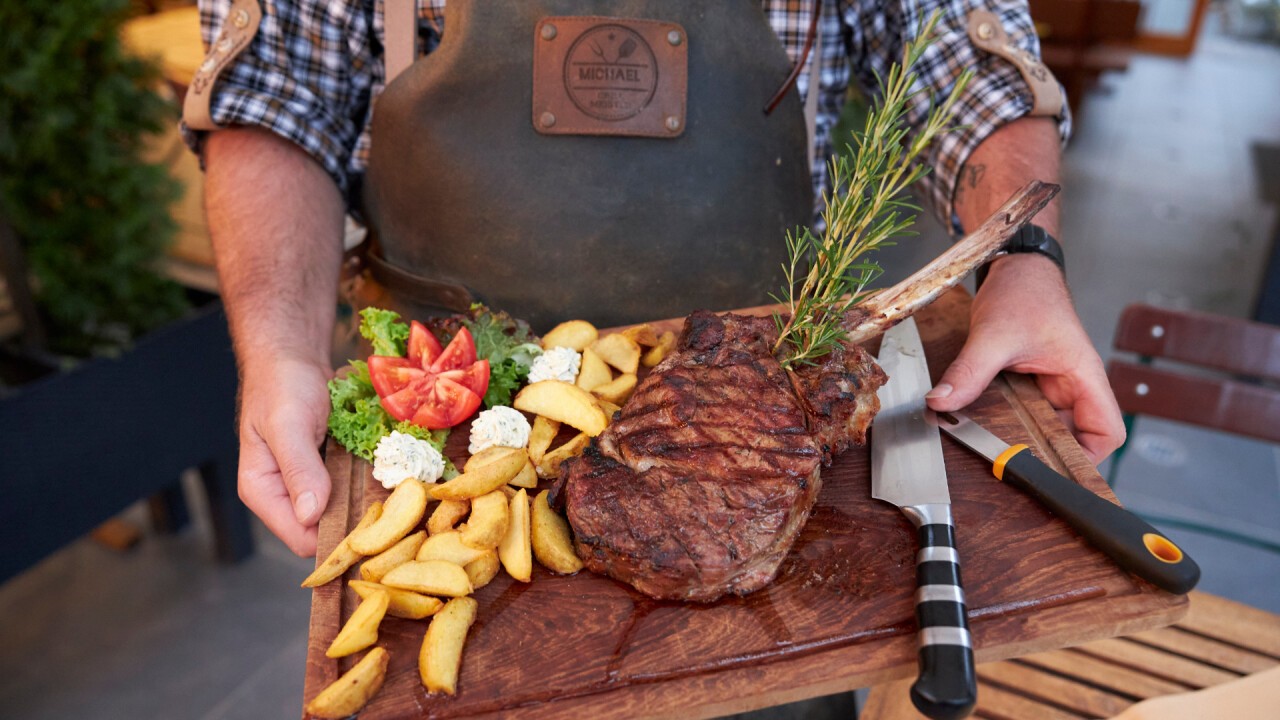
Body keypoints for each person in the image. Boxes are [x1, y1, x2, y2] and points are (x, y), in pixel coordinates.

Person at [184, 0, 1126, 557]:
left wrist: (1025, 257)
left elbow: (966, 53)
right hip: (443, 406)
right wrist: (277, 353)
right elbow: (274, 101)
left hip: (770, 386)